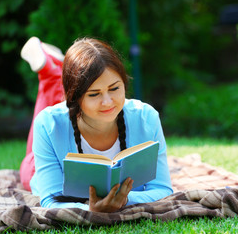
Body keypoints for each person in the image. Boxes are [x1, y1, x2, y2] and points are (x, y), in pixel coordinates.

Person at [19, 37, 173, 212]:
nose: (107, 102)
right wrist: (91, 209)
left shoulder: (146, 118)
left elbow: (163, 189)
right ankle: (50, 73)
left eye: (114, 88)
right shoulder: (48, 124)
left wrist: (122, 199)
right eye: (94, 94)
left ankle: (56, 71)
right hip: (37, 164)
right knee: (28, 169)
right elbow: (50, 199)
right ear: (75, 97)